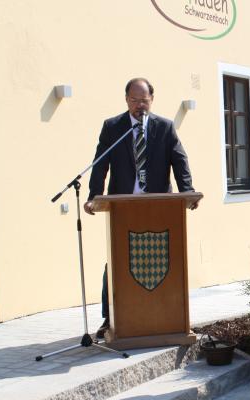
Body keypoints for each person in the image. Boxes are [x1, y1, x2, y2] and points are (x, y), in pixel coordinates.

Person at [84, 77, 198, 339]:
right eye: (134, 100)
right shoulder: (114, 127)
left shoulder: (165, 127)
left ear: (152, 100)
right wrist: (94, 195)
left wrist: (188, 191)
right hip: (122, 207)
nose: (139, 105)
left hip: (159, 206)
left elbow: (179, 161)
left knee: (163, 260)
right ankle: (109, 319)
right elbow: (100, 162)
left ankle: (165, 317)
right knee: (115, 263)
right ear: (126, 100)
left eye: (144, 100)